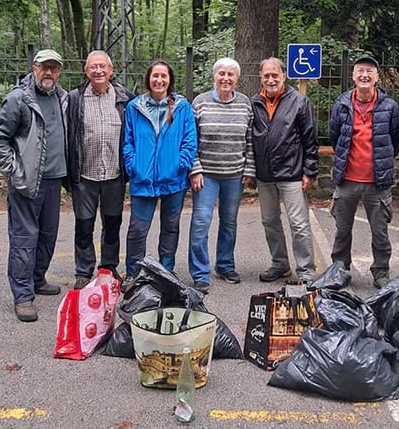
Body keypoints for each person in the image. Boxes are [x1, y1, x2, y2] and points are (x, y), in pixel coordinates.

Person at [0, 49, 67, 322]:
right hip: (26, 183)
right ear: (34, 68)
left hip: (55, 179)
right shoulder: (18, 99)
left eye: (54, 68)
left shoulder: (62, 98)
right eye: (44, 67)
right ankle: (22, 296)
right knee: (24, 238)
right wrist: (14, 172)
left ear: (59, 72)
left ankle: (37, 278)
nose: (49, 72)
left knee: (48, 234)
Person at [329, 56, 399, 289]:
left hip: (377, 182)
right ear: (353, 76)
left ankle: (381, 272)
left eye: (369, 71)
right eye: (360, 71)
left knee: (380, 232)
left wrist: (381, 163)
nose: (364, 75)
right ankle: (340, 269)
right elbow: (335, 138)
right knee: (342, 230)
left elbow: (395, 140)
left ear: (376, 77)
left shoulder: (389, 106)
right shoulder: (341, 104)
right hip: (347, 180)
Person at [122, 60, 197, 284]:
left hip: (173, 179)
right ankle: (134, 272)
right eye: (155, 76)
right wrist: (133, 165)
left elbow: (190, 142)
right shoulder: (135, 107)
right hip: (143, 179)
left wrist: (179, 165)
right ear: (149, 79)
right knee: (137, 229)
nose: (159, 80)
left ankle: (166, 271)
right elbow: (128, 142)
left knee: (170, 227)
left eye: (164, 76)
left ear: (170, 80)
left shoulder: (183, 107)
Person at [66, 50, 134, 290]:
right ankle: (83, 271)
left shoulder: (124, 97)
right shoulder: (74, 99)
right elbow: (67, 136)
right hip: (84, 175)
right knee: (84, 224)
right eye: (93, 67)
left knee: (113, 224)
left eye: (102, 67)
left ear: (111, 70)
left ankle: (108, 266)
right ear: (86, 71)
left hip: (115, 174)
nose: (98, 71)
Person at [187, 58, 256, 293]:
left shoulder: (245, 104)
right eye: (221, 74)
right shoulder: (200, 102)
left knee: (229, 222)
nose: (226, 78)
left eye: (230, 74)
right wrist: (195, 169)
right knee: (200, 222)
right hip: (206, 175)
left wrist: (249, 170)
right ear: (214, 76)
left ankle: (225, 265)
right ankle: (199, 273)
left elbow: (249, 140)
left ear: (237, 78)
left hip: (234, 175)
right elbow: (190, 139)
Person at [250, 57, 319, 283]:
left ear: (283, 76)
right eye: (266, 75)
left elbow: (310, 139)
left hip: (292, 174)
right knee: (270, 221)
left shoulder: (299, 102)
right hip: (264, 175)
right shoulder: (253, 103)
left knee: (299, 224)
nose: (271, 79)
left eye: (275, 75)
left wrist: (310, 171)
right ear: (261, 78)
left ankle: (306, 271)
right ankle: (280, 264)